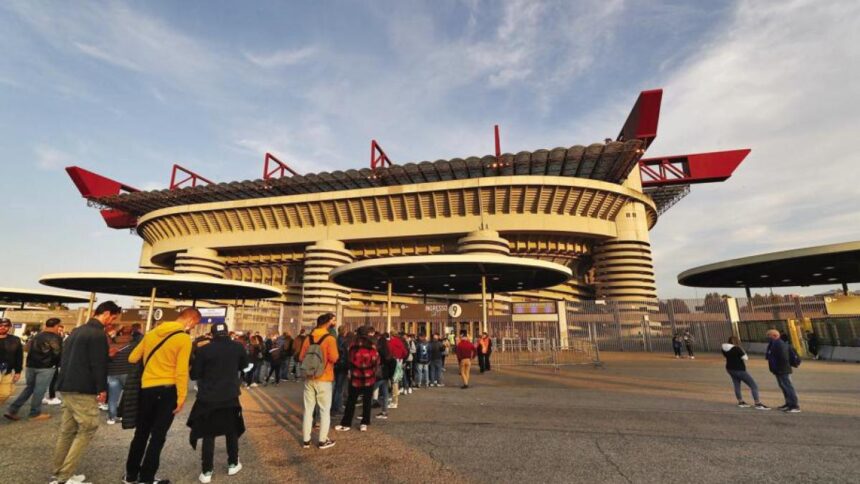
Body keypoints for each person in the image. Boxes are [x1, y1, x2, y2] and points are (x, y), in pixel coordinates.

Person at [124, 307, 199, 484]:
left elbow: (132, 358)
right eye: (194, 324)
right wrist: (181, 398)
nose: (193, 328)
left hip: (147, 388)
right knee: (158, 436)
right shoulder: (183, 338)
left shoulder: (151, 333)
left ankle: (130, 475)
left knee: (141, 433)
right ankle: (147, 478)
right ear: (190, 321)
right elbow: (181, 371)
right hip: (167, 390)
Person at [51, 301, 118, 484]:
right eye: (112, 317)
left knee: (67, 431)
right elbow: (97, 364)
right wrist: (101, 389)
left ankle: (59, 472)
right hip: (83, 388)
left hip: (66, 385)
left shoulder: (77, 331)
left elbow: (68, 358)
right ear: (105, 313)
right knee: (88, 428)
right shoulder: (97, 334)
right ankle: (64, 477)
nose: (112, 322)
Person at [188, 322, 250, 483]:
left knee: (209, 433)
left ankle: (207, 471)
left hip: (208, 397)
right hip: (230, 395)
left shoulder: (203, 350)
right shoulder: (238, 347)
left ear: (212, 334)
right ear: (228, 332)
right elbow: (245, 366)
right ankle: (232, 463)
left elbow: (194, 374)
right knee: (232, 430)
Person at [4, 317, 63, 421]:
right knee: (39, 391)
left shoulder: (37, 335)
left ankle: (12, 409)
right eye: (58, 326)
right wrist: (59, 365)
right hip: (46, 367)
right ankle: (34, 413)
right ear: (56, 326)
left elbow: (27, 348)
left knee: (29, 388)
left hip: (31, 366)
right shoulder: (55, 337)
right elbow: (57, 353)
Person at [298, 313, 339, 449]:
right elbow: (334, 357)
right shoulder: (329, 338)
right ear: (328, 322)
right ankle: (322, 440)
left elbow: (301, 357)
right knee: (324, 410)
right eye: (333, 321)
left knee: (308, 410)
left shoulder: (308, 338)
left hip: (309, 377)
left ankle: (306, 440)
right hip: (324, 377)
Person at [335, 326, 379, 432]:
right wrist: (372, 371)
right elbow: (376, 360)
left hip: (356, 377)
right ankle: (364, 422)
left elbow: (349, 360)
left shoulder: (353, 345)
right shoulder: (372, 345)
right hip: (369, 377)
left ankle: (346, 423)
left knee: (351, 400)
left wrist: (352, 370)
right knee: (367, 401)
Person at [106, 324, 142, 425]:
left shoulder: (111, 343)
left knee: (113, 397)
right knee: (128, 395)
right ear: (131, 333)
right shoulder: (133, 344)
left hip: (112, 373)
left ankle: (111, 418)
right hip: (127, 372)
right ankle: (123, 415)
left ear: (120, 332)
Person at [720, 336, 769, 410]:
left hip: (730, 368)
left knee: (737, 385)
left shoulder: (723, 348)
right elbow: (745, 358)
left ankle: (741, 401)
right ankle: (757, 403)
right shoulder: (737, 348)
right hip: (739, 369)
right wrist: (741, 349)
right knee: (753, 385)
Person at [766, 329, 800, 413]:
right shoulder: (774, 344)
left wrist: (778, 368)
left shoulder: (780, 344)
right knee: (784, 387)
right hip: (779, 369)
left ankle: (794, 406)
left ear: (774, 335)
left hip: (782, 369)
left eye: (769, 336)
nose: (768, 338)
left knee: (788, 387)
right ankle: (788, 403)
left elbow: (784, 358)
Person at [0, 318, 24, 407]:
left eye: (6, 326)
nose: (3, 327)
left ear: (9, 327)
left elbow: (19, 356)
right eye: (0, 325)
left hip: (6, 371)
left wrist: (18, 372)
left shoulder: (15, 340)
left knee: (5, 393)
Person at [44, 324, 66, 406]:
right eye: (59, 330)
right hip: (52, 363)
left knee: (50, 381)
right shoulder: (55, 338)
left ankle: (47, 397)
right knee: (53, 380)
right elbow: (57, 351)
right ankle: (52, 397)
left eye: (61, 330)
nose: (60, 331)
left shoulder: (58, 338)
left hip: (52, 362)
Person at [331, 326, 349, 415]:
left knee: (336, 387)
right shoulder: (344, 342)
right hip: (342, 366)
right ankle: (337, 407)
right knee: (340, 387)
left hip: (336, 365)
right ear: (345, 332)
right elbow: (346, 355)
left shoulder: (335, 340)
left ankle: (334, 405)